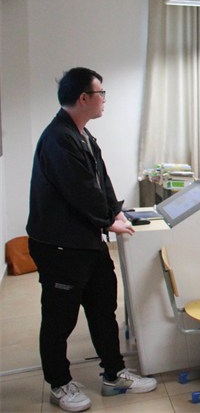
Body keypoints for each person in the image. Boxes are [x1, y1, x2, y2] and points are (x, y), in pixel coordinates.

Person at [27, 68, 157, 412]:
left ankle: (114, 373)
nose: (104, 100)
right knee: (59, 319)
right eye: (101, 94)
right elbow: (79, 190)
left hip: (87, 241)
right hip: (60, 246)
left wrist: (115, 212)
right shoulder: (59, 138)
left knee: (103, 308)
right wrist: (107, 221)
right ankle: (60, 383)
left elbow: (100, 181)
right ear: (84, 98)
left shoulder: (83, 135)